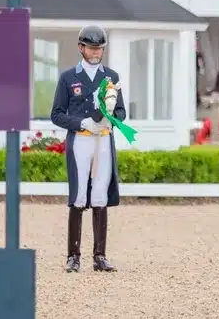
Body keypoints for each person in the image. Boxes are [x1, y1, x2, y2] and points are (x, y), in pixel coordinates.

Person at [50, 25, 127, 273]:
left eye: (99, 49)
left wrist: (111, 121)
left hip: (103, 139)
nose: (95, 52)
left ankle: (100, 256)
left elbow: (121, 112)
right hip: (81, 140)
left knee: (100, 195)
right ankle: (73, 256)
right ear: (81, 48)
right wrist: (82, 123)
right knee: (79, 196)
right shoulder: (68, 77)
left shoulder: (111, 77)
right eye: (91, 48)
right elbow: (57, 114)